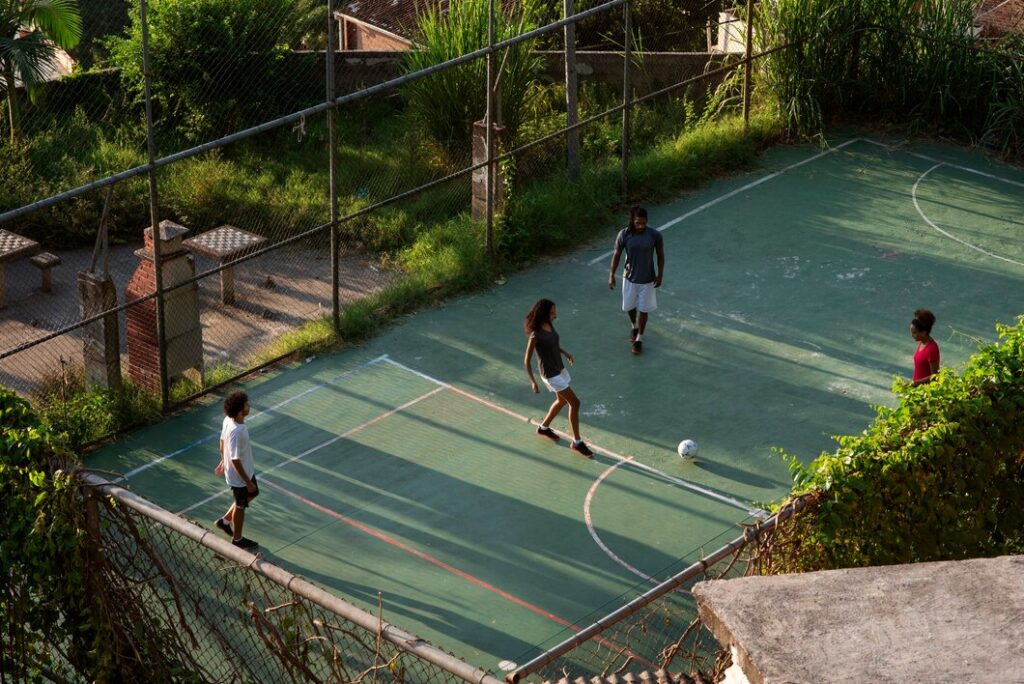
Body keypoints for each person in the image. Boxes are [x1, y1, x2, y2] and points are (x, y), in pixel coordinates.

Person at [523, 298, 594, 457]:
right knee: (575, 402)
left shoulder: (549, 325)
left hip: (559, 369)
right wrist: (533, 381)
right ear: (544, 313)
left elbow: (552, 343)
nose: (555, 315)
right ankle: (577, 442)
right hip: (550, 374)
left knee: (561, 401)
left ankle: (543, 428)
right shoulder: (535, 335)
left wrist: (564, 352)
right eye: (552, 312)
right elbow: (527, 360)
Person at [608, 206, 665, 355]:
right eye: (638, 223)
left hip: (647, 280)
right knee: (629, 307)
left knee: (644, 310)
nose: (641, 226)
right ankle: (634, 326)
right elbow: (616, 254)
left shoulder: (654, 235)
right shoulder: (624, 235)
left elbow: (660, 254)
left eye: (643, 223)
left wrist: (660, 274)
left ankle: (639, 339)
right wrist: (611, 275)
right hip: (629, 278)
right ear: (632, 221)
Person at [213, 391, 260, 549]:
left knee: (253, 493)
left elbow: (222, 442)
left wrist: (222, 459)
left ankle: (225, 521)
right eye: (246, 404)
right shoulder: (237, 431)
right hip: (239, 478)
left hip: (246, 470)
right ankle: (237, 539)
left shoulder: (228, 420)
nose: (249, 406)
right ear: (240, 410)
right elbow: (235, 459)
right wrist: (247, 482)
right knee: (241, 505)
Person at [910, 309, 940, 385]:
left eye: (914, 333)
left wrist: (914, 383)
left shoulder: (932, 348)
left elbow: (935, 376)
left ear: (923, 332)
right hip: (916, 388)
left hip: (926, 390)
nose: (912, 335)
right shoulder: (921, 343)